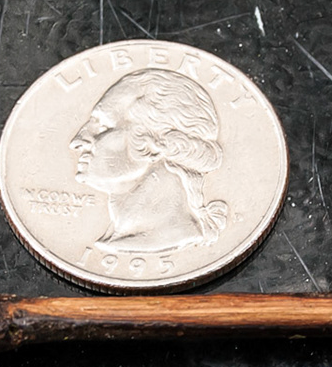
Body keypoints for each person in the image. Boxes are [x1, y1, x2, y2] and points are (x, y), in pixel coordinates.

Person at [70, 68, 230, 252]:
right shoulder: (110, 240)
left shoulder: (168, 239)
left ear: (151, 145)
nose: (77, 141)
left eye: (103, 126)